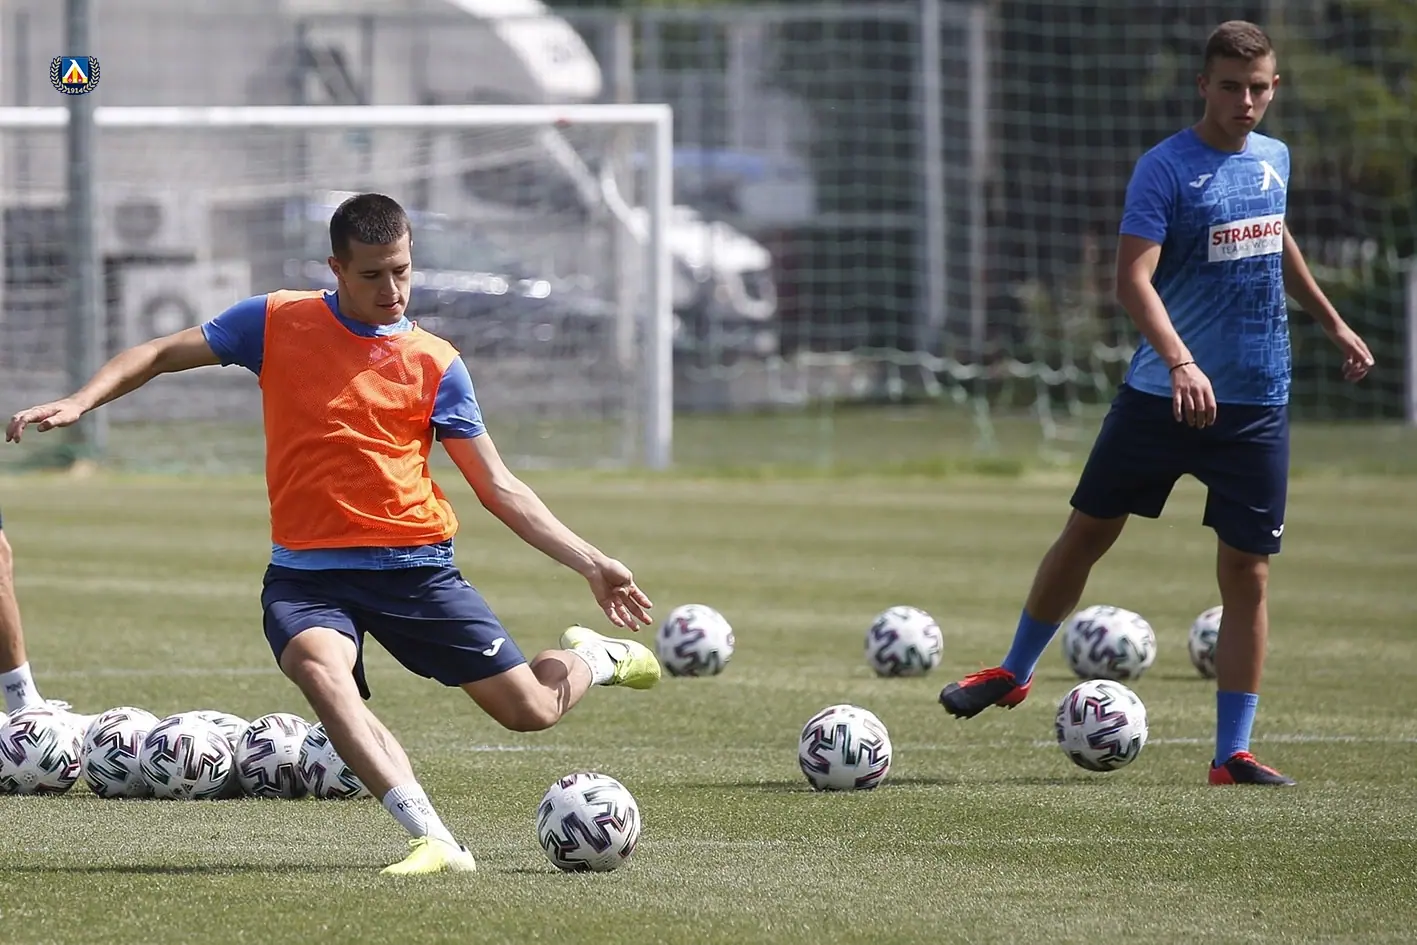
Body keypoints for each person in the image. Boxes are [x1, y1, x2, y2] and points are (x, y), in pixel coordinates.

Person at [6, 192, 661, 870]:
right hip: (308, 576)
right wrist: (81, 400)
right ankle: (434, 837)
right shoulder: (274, 321)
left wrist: (591, 562)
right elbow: (159, 352)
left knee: (530, 710)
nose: (392, 290)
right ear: (337, 268)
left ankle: (597, 658)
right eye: (372, 274)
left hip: (417, 570)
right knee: (321, 670)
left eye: (401, 271)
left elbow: (497, 485)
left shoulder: (435, 362)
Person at [936, 21, 1374, 787]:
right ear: (1203, 86)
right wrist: (1179, 361)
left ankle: (1230, 753)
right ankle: (1013, 669)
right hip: (1161, 394)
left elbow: (1274, 236)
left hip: (1255, 402)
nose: (1245, 101)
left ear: (1274, 87)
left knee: (1247, 573)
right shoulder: (1165, 168)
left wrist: (1332, 321)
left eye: (1258, 88)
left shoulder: (1273, 159)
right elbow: (1130, 280)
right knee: (1087, 532)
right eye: (1230, 87)